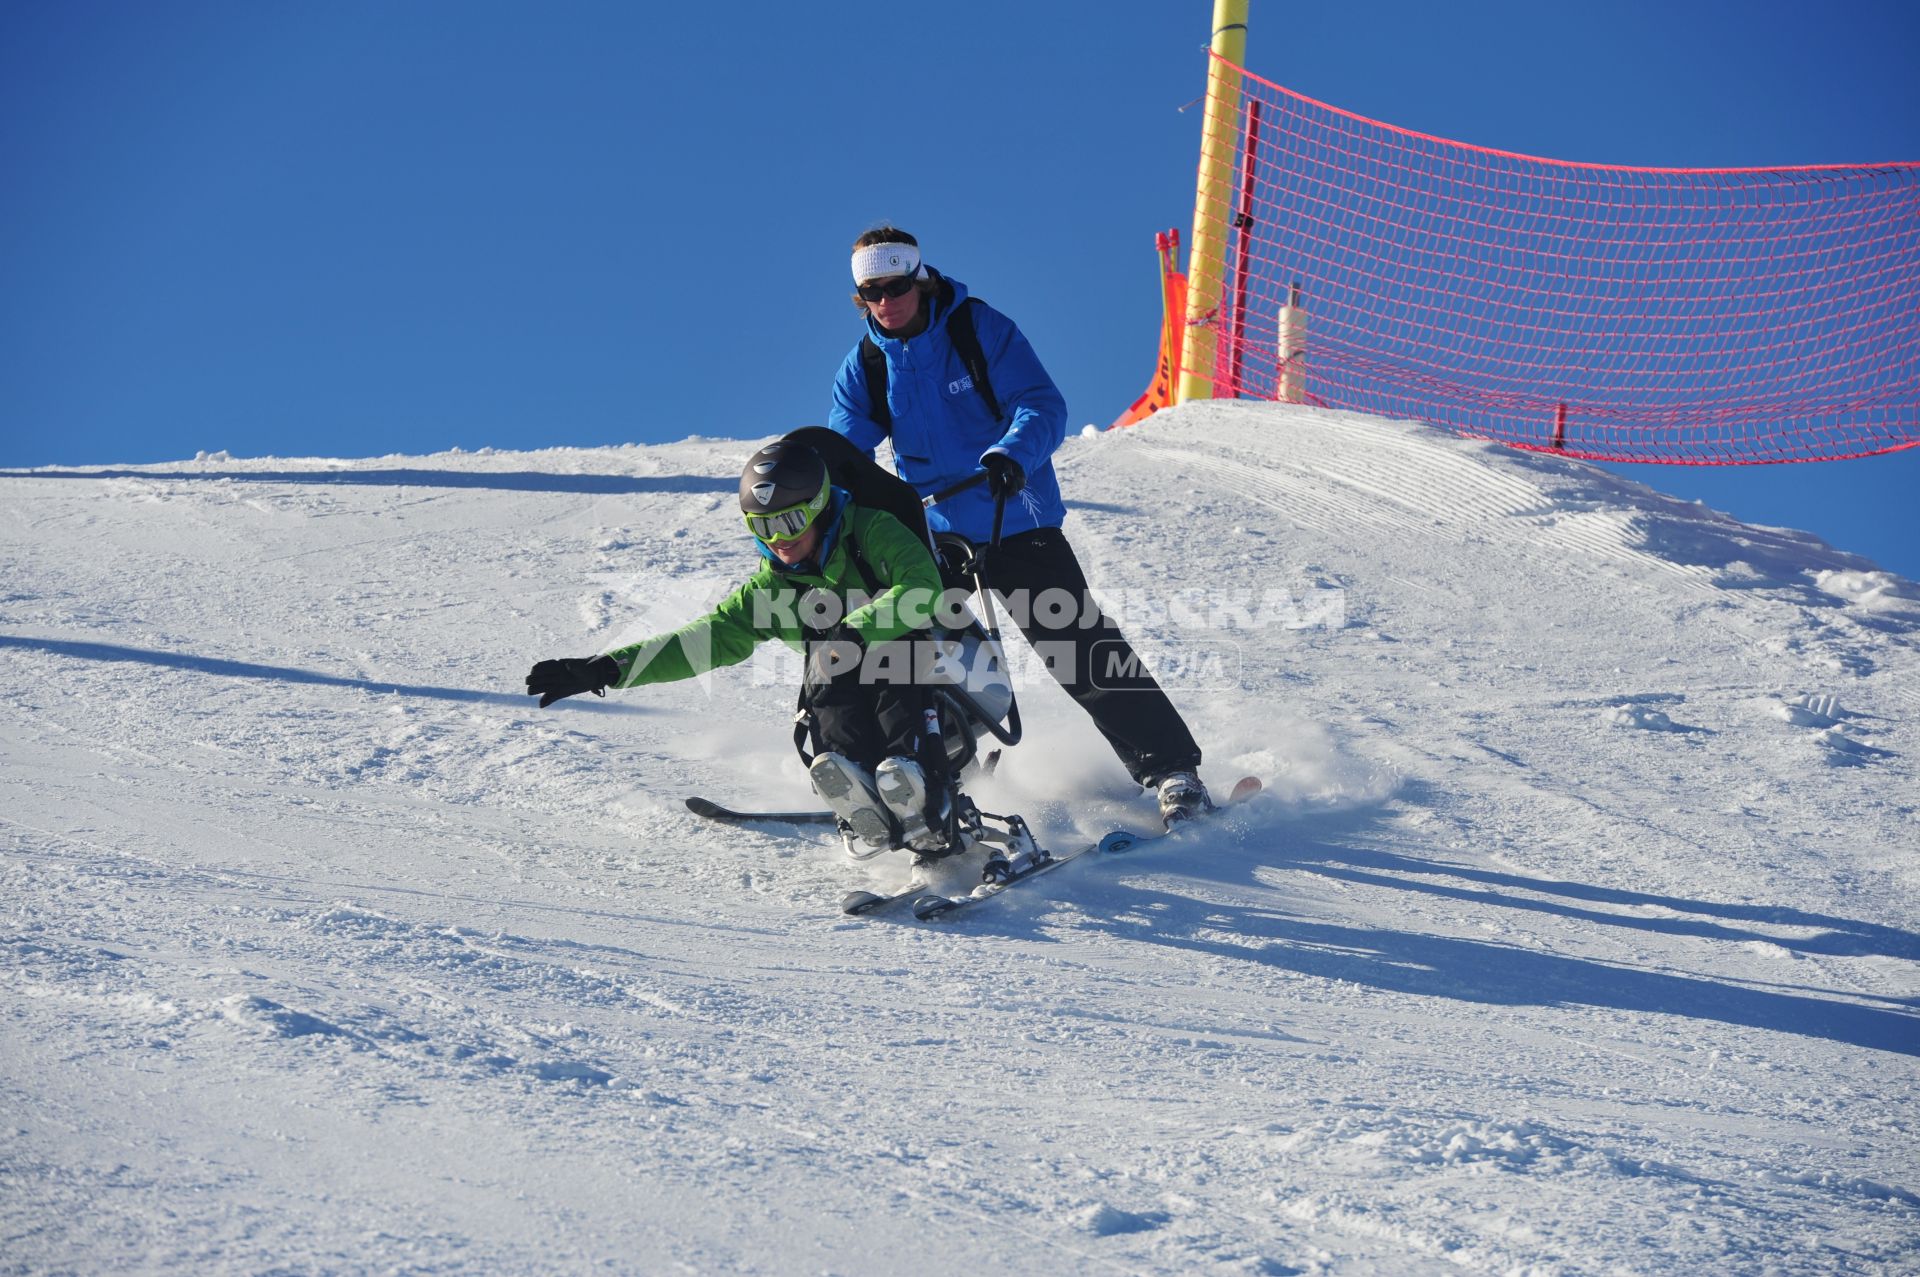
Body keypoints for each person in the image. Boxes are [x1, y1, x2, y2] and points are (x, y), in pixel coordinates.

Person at [826, 226, 1212, 825]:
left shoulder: (978, 329)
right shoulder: (867, 365)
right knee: (904, 647)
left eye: (897, 285)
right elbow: (847, 450)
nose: (887, 301)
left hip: (1013, 515)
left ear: (920, 279)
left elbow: (1041, 404)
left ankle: (1172, 771)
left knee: (1077, 644)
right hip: (932, 534)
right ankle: (920, 777)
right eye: (872, 292)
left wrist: (1010, 456)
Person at [524, 438, 958, 857]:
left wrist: (857, 630)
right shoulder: (771, 588)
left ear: (820, 508)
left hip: (922, 656)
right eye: (761, 526)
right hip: (841, 675)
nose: (778, 539)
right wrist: (607, 669)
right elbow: (703, 639)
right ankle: (860, 795)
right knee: (823, 678)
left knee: (877, 661)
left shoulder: (873, 531)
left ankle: (917, 790)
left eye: (789, 522)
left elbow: (922, 587)